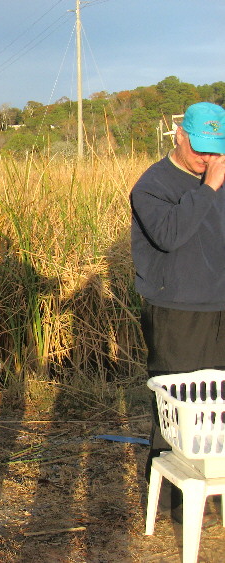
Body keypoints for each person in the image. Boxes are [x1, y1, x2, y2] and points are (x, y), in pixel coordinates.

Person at [130, 101, 225, 521]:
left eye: (217, 150)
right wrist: (208, 189)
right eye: (200, 149)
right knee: (179, 406)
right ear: (179, 135)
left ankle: (217, 489)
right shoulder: (152, 185)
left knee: (219, 407)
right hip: (176, 309)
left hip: (220, 303)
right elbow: (170, 235)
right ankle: (177, 504)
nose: (208, 159)